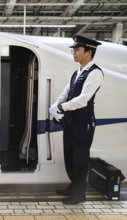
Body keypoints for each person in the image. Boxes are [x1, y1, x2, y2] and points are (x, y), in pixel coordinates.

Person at [49, 35, 103, 205]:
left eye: (77, 50)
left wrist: (61, 108)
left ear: (89, 52)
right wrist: (56, 104)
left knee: (79, 158)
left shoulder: (95, 73)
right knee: (69, 155)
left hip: (83, 122)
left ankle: (79, 194)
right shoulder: (77, 72)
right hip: (72, 121)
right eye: (73, 49)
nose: (74, 52)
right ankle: (74, 186)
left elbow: (83, 99)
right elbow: (66, 92)